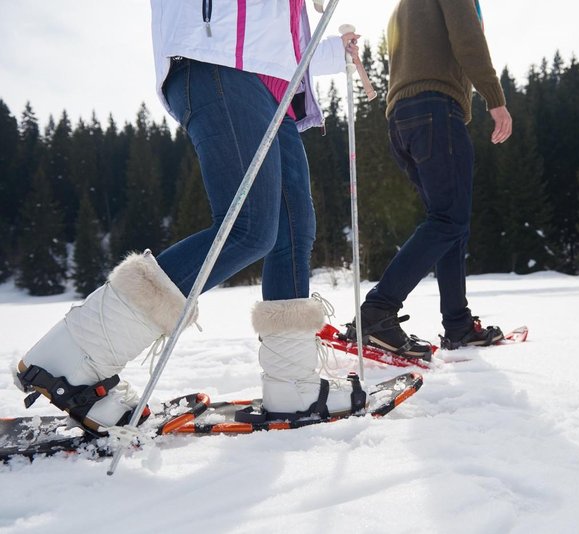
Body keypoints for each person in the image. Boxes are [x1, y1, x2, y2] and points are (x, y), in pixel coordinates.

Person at [13, 0, 367, 432]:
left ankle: (292, 385)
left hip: (275, 89)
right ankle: (68, 360)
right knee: (248, 228)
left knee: (293, 233)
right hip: (217, 60)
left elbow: (276, 32)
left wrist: (333, 50)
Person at [346, 0, 513, 359]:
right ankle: (377, 311)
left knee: (449, 224)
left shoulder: (402, 8)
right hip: (435, 110)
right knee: (449, 220)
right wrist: (495, 99)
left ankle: (458, 324)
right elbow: (468, 38)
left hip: (403, 119)